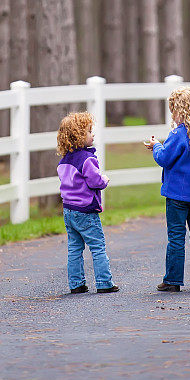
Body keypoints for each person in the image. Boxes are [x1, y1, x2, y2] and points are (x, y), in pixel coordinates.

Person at [144, 86, 190, 292]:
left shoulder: (178, 134)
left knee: (176, 235)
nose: (173, 116)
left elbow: (164, 159)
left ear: (181, 111)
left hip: (177, 193)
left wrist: (156, 146)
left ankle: (173, 280)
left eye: (174, 111)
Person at [57, 111, 119, 294]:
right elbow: (95, 181)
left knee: (74, 248)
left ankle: (76, 284)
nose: (93, 135)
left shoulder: (63, 161)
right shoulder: (87, 159)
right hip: (86, 211)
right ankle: (104, 283)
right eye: (89, 132)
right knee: (97, 245)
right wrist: (104, 179)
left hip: (68, 210)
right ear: (78, 136)